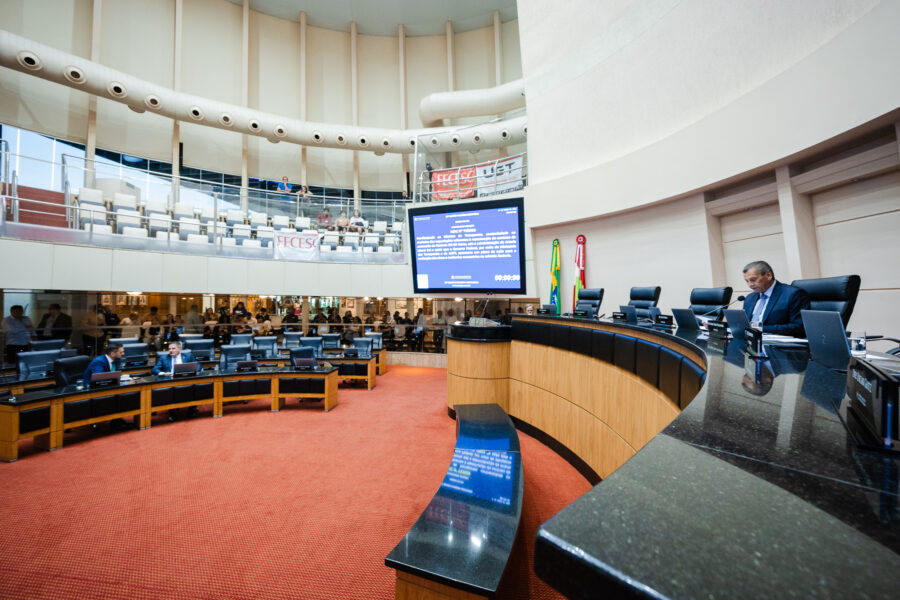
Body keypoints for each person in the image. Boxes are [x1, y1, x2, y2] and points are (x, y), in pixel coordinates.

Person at [741, 260, 810, 338]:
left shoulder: (793, 294)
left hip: (777, 345)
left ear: (768, 275)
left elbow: (798, 327)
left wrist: (760, 329)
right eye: (747, 281)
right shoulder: (750, 298)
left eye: (753, 280)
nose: (750, 284)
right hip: (750, 343)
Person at [152, 340, 198, 421]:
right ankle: (172, 412)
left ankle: (192, 409)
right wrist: (163, 373)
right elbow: (155, 369)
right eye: (169, 349)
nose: (170, 350)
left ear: (179, 349)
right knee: (172, 390)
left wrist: (194, 371)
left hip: (186, 379)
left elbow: (198, 365)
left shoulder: (188, 356)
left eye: (173, 348)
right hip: (170, 381)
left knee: (194, 386)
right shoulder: (164, 358)